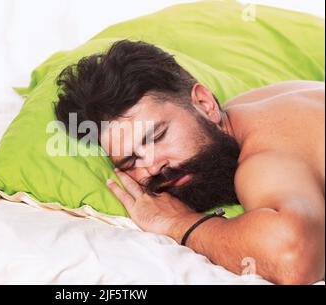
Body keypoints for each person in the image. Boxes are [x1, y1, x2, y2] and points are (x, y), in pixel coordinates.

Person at [54, 40, 325, 284]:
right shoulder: (256, 105)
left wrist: (181, 225)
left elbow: (293, 257)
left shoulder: (263, 158)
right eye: (131, 159)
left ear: (205, 104)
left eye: (157, 136)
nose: (153, 166)